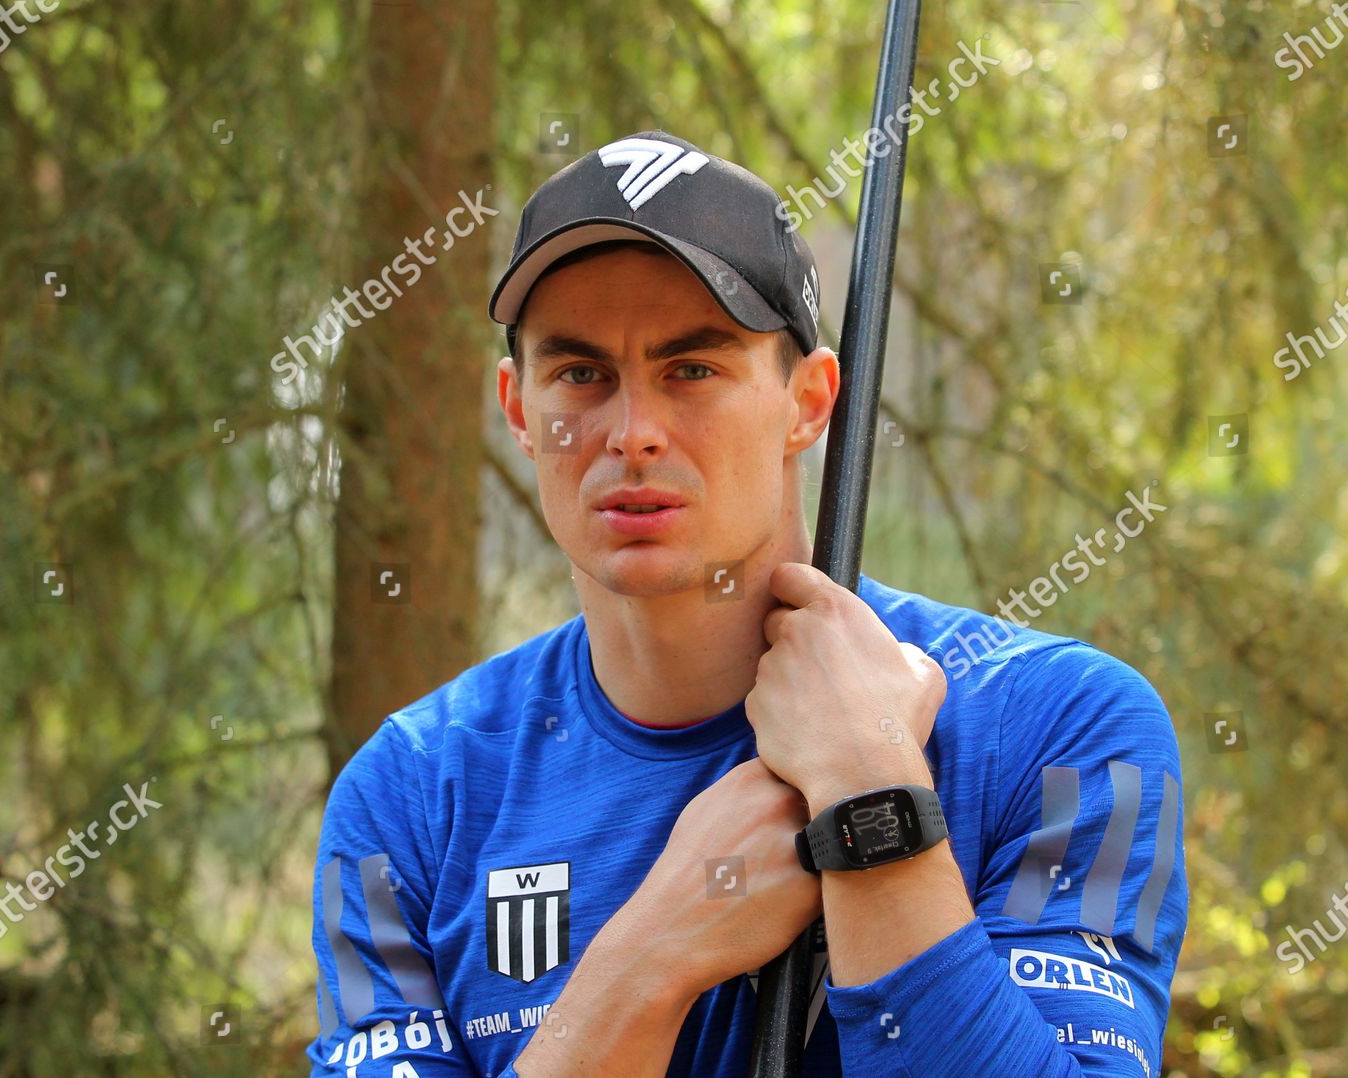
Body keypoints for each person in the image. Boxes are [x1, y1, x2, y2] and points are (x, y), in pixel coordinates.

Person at [305, 130, 1187, 1077]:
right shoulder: (407, 798)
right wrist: (651, 956)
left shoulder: (1061, 729)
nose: (633, 433)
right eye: (580, 374)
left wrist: (874, 804)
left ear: (809, 403)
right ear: (519, 409)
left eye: (694, 369)